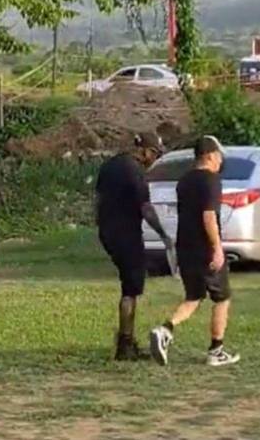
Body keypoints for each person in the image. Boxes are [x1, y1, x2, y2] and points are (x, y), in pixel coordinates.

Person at [149, 136, 240, 367]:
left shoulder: (184, 181)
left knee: (194, 297)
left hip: (185, 247)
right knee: (223, 298)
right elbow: (208, 216)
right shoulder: (211, 180)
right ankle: (216, 351)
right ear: (209, 155)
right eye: (219, 156)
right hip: (204, 249)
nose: (220, 161)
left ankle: (164, 330)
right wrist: (217, 249)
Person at [96, 132, 173, 361]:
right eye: (155, 154)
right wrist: (164, 235)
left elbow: (98, 199)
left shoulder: (110, 165)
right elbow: (146, 208)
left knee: (129, 283)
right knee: (130, 289)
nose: (154, 160)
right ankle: (125, 344)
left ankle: (125, 340)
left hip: (108, 232)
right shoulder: (135, 172)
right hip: (126, 234)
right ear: (145, 151)